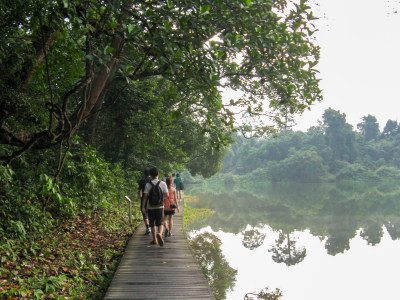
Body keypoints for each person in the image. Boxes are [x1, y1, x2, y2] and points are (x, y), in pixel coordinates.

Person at [142, 167, 169, 246]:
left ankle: (154, 239)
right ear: (158, 174)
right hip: (160, 206)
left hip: (150, 206)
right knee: (161, 222)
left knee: (152, 223)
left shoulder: (148, 184)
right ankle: (160, 234)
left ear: (150, 175)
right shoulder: (162, 183)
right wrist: (160, 198)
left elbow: (145, 196)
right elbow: (167, 195)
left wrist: (143, 207)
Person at [137, 168, 152, 235]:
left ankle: (148, 227)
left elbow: (139, 190)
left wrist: (140, 197)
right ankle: (151, 226)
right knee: (151, 213)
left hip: (144, 198)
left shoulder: (142, 180)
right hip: (152, 198)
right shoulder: (152, 180)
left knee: (144, 212)